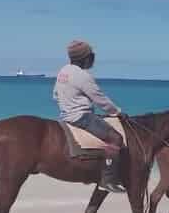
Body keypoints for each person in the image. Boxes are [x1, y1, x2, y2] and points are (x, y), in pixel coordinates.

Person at [53, 40, 126, 192]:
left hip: (65, 115)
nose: (93, 59)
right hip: (81, 117)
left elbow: (55, 95)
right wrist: (117, 112)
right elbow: (99, 99)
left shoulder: (63, 71)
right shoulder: (83, 76)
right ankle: (108, 178)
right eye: (92, 56)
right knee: (116, 138)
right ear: (86, 58)